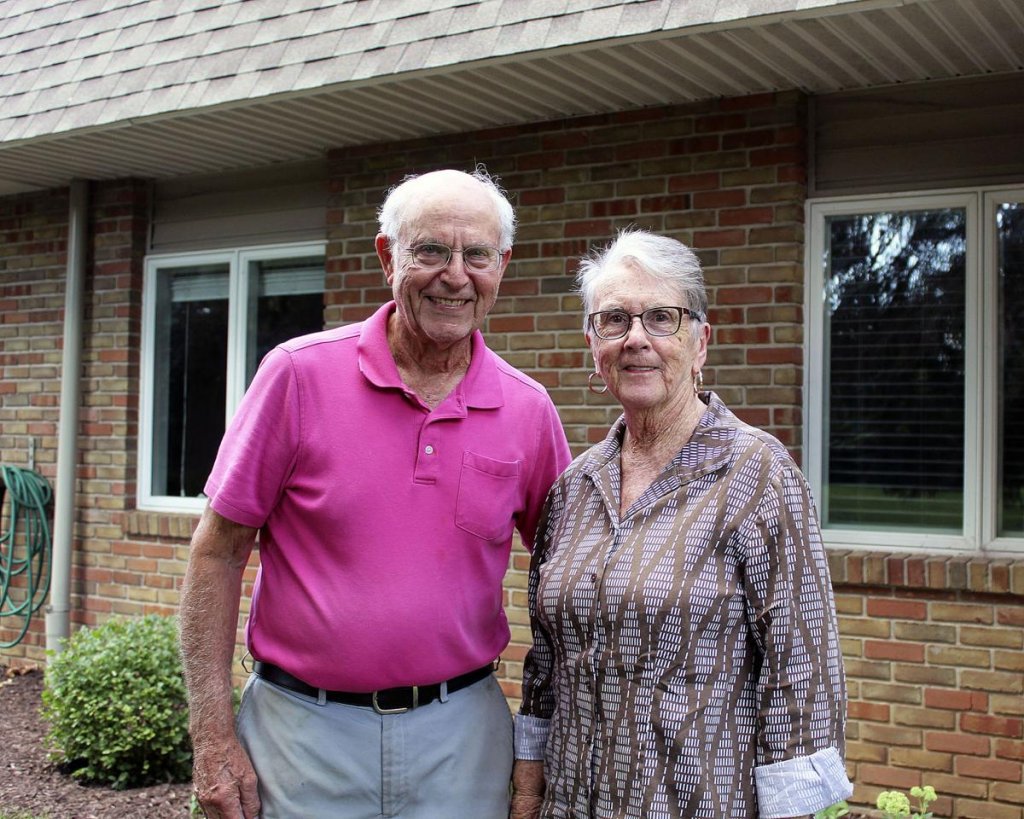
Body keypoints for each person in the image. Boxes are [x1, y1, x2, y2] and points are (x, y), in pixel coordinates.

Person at [179, 168, 572, 819]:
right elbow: (216, 553)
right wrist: (213, 737)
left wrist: (536, 744)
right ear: (388, 256)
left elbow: (567, 581)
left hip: (461, 739)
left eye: (476, 255)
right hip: (302, 737)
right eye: (431, 251)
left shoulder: (528, 410)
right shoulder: (297, 376)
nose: (455, 275)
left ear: (501, 265)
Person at [510, 229, 853, 819]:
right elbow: (545, 661)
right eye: (614, 320)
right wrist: (526, 795)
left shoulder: (757, 472)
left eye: (662, 318)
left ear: (700, 342)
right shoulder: (575, 486)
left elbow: (801, 668)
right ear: (593, 344)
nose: (636, 339)